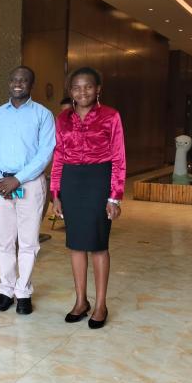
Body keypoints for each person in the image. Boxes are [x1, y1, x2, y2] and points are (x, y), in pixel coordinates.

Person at [51, 66, 125, 329]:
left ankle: (101, 304)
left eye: (88, 86)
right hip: (71, 181)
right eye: (76, 87)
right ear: (70, 91)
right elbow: (58, 156)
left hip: (98, 180)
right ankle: (81, 301)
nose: (82, 91)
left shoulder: (111, 116)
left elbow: (118, 157)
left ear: (98, 89)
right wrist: (56, 194)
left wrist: (114, 197)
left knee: (98, 244)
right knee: (76, 243)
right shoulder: (63, 119)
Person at [0, 66, 55, 315]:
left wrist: (17, 179)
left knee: (28, 242)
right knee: (4, 242)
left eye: (23, 80)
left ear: (31, 85)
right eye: (14, 79)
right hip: (0, 185)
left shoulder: (43, 115)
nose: (18, 83)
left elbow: (45, 152)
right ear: (9, 82)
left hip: (30, 185)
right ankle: (6, 290)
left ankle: (23, 292)